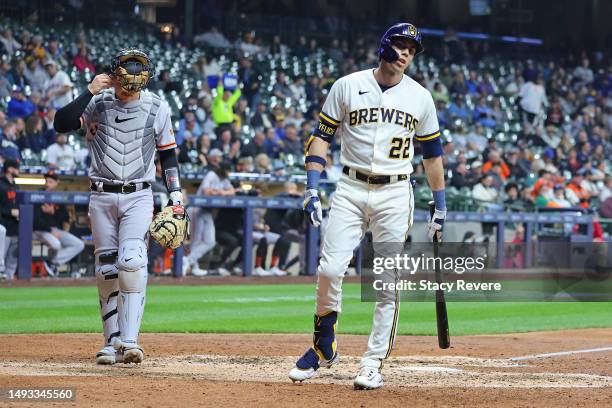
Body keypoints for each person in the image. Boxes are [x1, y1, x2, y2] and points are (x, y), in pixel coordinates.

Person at [289, 23, 446, 390]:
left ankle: (373, 361)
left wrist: (439, 205)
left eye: (412, 49)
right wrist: (312, 188)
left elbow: (433, 154)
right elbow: (321, 138)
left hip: (395, 193)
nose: (407, 53)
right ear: (385, 46)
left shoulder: (421, 97)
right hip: (350, 187)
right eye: (402, 46)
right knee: (329, 269)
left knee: (387, 282)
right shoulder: (347, 85)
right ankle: (323, 346)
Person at [54, 48, 185, 365]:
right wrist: (89, 90)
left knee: (132, 261)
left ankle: (130, 341)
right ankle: (111, 343)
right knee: (107, 268)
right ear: (115, 74)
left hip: (139, 194)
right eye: (128, 71)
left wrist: (176, 194)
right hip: (101, 194)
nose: (133, 78)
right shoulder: (97, 102)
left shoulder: (157, 107)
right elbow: (62, 123)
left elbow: (168, 154)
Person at [185, 162, 235, 276]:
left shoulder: (224, 180)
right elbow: (206, 191)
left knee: (210, 242)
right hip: (196, 209)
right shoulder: (211, 175)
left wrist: (222, 192)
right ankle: (192, 265)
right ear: (222, 170)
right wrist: (220, 193)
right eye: (227, 171)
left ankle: (188, 261)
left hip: (207, 212)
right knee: (195, 241)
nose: (228, 173)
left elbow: (232, 192)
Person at [33, 171, 85, 276]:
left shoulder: (58, 197)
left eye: (51, 181)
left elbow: (65, 217)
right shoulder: (38, 195)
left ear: (57, 183)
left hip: (55, 230)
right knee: (56, 244)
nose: (48, 183)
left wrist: (53, 212)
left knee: (79, 244)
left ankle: (52, 263)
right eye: (46, 181)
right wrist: (50, 231)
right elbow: (35, 221)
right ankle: (52, 265)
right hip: (40, 230)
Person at [0, 159, 20, 280]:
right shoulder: (1, 184)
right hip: (3, 224)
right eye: (16, 167)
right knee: (2, 253)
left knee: (13, 255)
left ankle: (10, 278)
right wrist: (9, 212)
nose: (18, 170)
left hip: (15, 225)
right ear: (10, 169)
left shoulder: (16, 185)